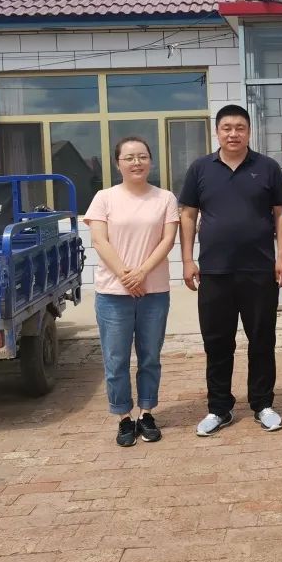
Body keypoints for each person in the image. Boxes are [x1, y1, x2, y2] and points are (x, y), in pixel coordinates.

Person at [179, 104, 282, 436]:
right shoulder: (200, 168)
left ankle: (263, 404)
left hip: (259, 270)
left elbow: (281, 214)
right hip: (215, 272)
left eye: (240, 128)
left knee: (262, 340)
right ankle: (219, 408)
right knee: (217, 343)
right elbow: (188, 215)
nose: (233, 134)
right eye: (227, 128)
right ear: (217, 132)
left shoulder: (267, 167)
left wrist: (281, 257)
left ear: (249, 131)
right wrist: (187, 259)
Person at [83, 136, 179, 447]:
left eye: (142, 156)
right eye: (129, 158)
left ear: (150, 160)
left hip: (154, 292)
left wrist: (142, 273)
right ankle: (123, 417)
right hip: (113, 294)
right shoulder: (104, 198)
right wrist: (127, 276)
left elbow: (167, 240)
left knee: (150, 356)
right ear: (118, 164)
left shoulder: (165, 198)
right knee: (116, 359)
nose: (136, 162)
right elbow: (100, 241)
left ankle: (146, 413)